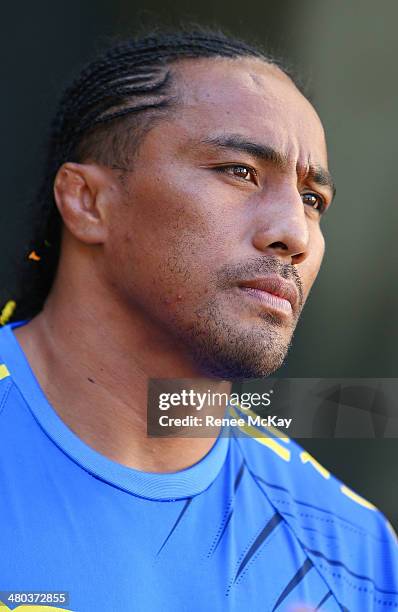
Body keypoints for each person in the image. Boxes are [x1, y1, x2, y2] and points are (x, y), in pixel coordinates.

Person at [0, 28, 396, 612]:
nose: (293, 233)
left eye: (314, 200)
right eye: (239, 171)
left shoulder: (355, 556)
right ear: (87, 202)